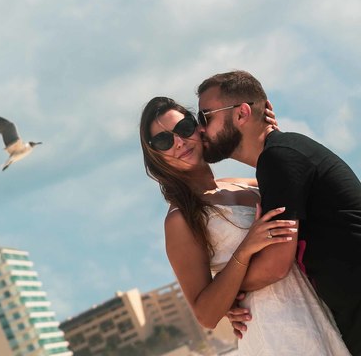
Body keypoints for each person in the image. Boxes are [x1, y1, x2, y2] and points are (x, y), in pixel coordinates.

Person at [141, 96, 350, 354]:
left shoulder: (242, 183)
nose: (179, 142)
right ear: (154, 154)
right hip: (274, 331)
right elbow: (205, 314)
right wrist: (244, 251)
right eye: (163, 141)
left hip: (319, 310)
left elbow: (288, 181)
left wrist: (270, 133)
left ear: (198, 127)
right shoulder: (180, 219)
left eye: (184, 128)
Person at [197, 70, 361, 354]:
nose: (200, 129)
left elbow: (276, 264)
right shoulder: (281, 156)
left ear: (241, 114)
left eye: (206, 117)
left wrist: (221, 297)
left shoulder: (279, 158)